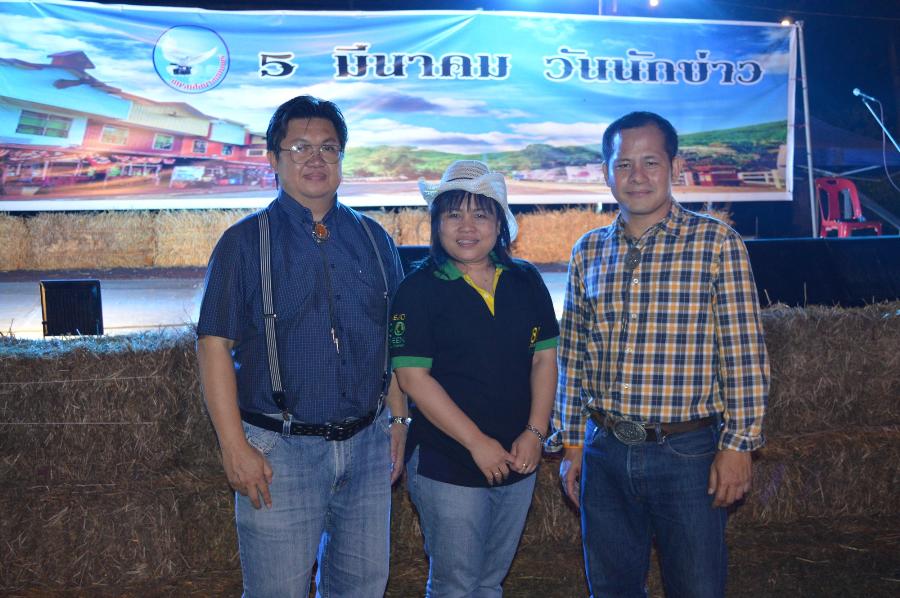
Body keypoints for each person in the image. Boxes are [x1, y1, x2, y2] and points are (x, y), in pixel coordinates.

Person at [196, 95, 407, 598]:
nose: (316, 159)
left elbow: (393, 338)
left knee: (363, 588)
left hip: (367, 444)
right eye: (300, 147)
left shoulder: (375, 239)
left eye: (329, 148)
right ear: (273, 159)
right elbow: (213, 345)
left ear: (342, 158)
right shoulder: (243, 243)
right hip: (279, 452)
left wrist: (398, 421)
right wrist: (234, 447)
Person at [552, 111, 769, 598]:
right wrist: (572, 445)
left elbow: (743, 353)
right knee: (612, 587)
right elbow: (573, 356)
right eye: (623, 164)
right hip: (604, 449)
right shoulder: (588, 251)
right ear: (606, 172)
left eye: (650, 162)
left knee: (696, 586)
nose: (637, 176)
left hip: (687, 453)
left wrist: (738, 446)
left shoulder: (717, 243)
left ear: (676, 167)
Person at [389, 160, 559, 597]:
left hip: (519, 456)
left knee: (489, 581)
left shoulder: (526, 280)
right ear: (436, 224)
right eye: (453, 214)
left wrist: (535, 433)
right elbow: (412, 378)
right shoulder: (418, 289)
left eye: (480, 214)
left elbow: (544, 359)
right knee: (456, 584)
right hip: (448, 461)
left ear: (500, 224)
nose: (467, 227)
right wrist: (476, 443)